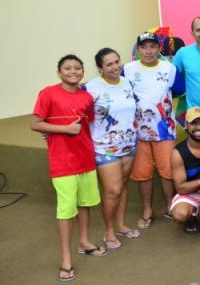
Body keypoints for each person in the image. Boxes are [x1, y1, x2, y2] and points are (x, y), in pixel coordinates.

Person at [31, 54, 108, 282]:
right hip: (62, 163)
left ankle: (84, 242)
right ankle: (66, 259)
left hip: (86, 159)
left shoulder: (86, 97)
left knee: (85, 203)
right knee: (66, 210)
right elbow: (35, 123)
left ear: (83, 71)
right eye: (68, 68)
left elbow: (86, 126)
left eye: (78, 68)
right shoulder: (47, 93)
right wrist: (63, 129)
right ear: (59, 72)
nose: (73, 71)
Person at [124, 32, 185, 229]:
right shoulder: (128, 69)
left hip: (164, 130)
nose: (149, 51)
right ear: (138, 49)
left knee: (167, 171)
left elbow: (179, 90)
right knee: (143, 173)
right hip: (137, 132)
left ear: (159, 49)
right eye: (144, 47)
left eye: (153, 47)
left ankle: (170, 204)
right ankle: (147, 209)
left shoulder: (170, 68)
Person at [86, 48, 139, 248]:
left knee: (123, 185)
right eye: (109, 64)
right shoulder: (91, 88)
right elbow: (77, 110)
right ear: (100, 68)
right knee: (113, 190)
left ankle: (121, 225)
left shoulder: (126, 82)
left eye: (117, 61)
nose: (115, 67)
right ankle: (108, 231)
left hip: (128, 144)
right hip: (104, 147)